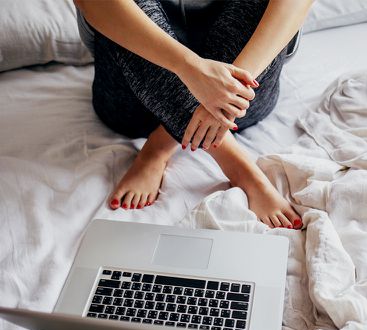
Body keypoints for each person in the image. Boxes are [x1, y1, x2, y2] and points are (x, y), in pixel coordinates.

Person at [75, 0, 312, 229]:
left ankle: (163, 141)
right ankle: (236, 164)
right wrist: (190, 68)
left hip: (239, 104)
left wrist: (225, 92)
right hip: (133, 104)